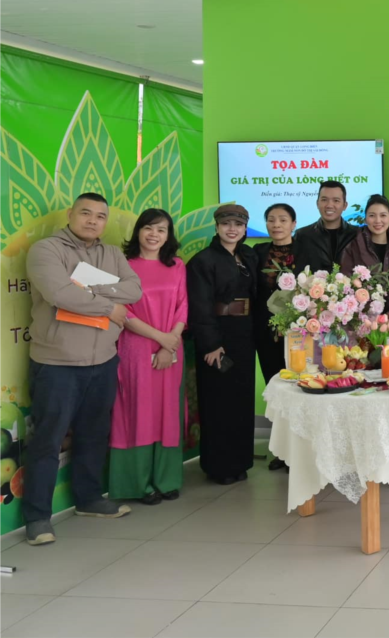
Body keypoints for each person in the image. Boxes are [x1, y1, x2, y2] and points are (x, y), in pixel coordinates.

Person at [23, 193, 141, 545]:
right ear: (70, 214)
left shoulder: (112, 253)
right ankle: (37, 518)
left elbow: (133, 290)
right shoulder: (46, 250)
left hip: (103, 359)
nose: (92, 220)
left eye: (100, 216)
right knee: (48, 440)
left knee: (94, 433)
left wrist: (90, 288)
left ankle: (89, 499)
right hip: (57, 362)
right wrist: (108, 306)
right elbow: (60, 294)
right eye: (85, 213)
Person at [111, 208, 188, 504]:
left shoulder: (177, 265)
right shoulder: (123, 265)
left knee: (168, 412)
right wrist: (161, 340)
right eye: (149, 228)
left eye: (161, 229)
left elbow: (183, 306)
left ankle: (166, 480)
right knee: (138, 412)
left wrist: (170, 344)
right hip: (136, 349)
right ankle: (137, 484)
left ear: (168, 235)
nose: (154, 234)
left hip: (171, 348)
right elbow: (124, 313)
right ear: (138, 231)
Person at [187, 205, 259, 485]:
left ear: (245, 228)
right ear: (216, 227)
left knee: (241, 400)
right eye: (226, 223)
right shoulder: (203, 261)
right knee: (218, 401)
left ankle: (240, 461)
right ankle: (219, 466)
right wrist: (211, 344)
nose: (232, 229)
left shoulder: (248, 256)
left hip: (244, 334)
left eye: (238, 224)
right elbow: (199, 305)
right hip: (218, 336)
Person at [252, 203, 296, 471]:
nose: (276, 225)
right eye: (271, 219)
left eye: (282, 219)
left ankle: (299, 450)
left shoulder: (306, 251)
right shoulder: (257, 253)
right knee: (275, 386)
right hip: (266, 330)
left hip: (299, 332)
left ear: (293, 224)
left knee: (298, 387)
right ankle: (281, 451)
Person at [293, 180, 359, 274]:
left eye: (336, 200)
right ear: (317, 203)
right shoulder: (302, 235)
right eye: (324, 200)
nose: (329, 205)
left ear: (345, 205)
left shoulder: (357, 235)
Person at [340, 195, 389, 279]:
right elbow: (345, 280)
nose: (378, 221)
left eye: (383, 215)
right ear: (365, 219)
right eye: (372, 215)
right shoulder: (353, 249)